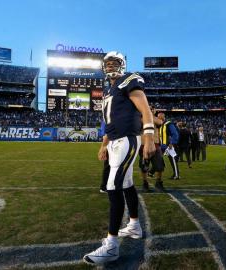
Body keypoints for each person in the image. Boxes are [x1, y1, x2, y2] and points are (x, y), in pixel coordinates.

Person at [83, 51, 155, 265]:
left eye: (114, 63)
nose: (110, 66)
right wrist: (104, 144)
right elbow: (110, 121)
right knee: (126, 184)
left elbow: (145, 107)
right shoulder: (109, 92)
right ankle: (134, 226)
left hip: (127, 140)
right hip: (114, 141)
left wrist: (149, 135)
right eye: (107, 63)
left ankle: (111, 245)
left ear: (122, 65)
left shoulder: (128, 80)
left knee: (113, 187)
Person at [140, 109, 165, 192]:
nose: (151, 110)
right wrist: (148, 114)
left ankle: (158, 182)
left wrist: (150, 115)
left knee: (159, 165)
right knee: (144, 166)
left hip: (155, 144)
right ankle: (145, 183)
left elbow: (160, 122)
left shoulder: (154, 119)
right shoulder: (141, 118)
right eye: (149, 109)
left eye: (152, 109)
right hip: (143, 145)